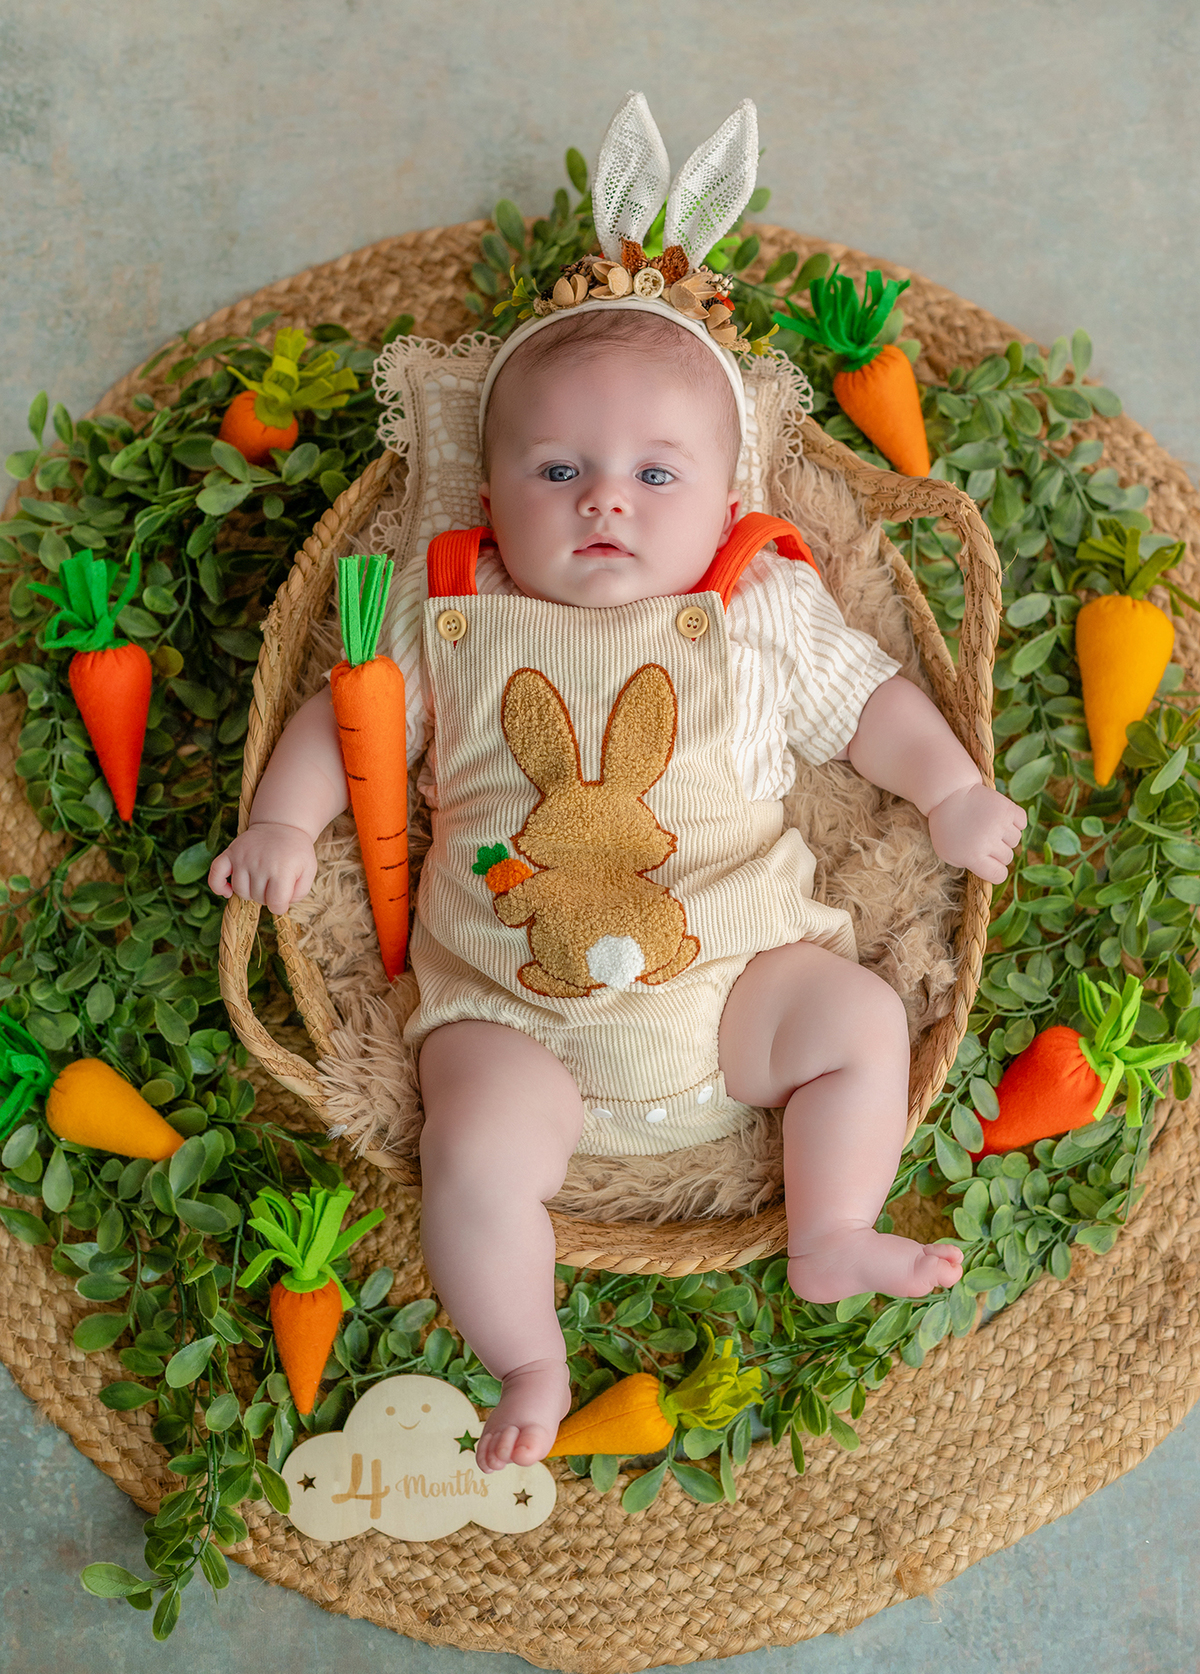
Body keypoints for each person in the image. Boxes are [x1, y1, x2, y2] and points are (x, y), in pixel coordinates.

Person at [209, 95, 1026, 1475]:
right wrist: (288, 820)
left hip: (742, 989)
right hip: (511, 1018)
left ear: (727, 495)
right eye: (558, 470)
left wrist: (947, 791)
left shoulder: (762, 601)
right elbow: (344, 716)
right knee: (471, 1155)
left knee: (865, 1018)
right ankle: (527, 1353)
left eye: (657, 472)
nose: (606, 502)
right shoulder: (440, 601)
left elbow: (865, 705)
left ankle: (829, 1231)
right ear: (489, 487)